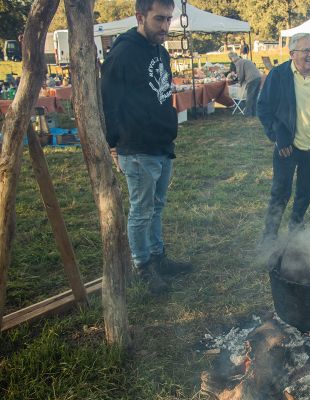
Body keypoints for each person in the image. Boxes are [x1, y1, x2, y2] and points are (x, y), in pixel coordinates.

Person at [101, 0, 192, 294]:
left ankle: (158, 257)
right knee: (141, 210)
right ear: (140, 17)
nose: (165, 27)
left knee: (157, 206)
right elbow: (108, 101)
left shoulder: (160, 51)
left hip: (162, 144)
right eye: (159, 20)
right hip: (137, 146)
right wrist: (113, 144)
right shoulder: (123, 53)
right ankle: (143, 265)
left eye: (169, 19)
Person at [257, 32, 310, 244]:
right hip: (287, 146)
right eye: (305, 50)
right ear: (292, 54)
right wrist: (278, 135)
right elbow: (263, 107)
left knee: (304, 194)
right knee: (280, 192)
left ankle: (295, 233)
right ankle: (269, 237)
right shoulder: (279, 75)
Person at [227, 52, 262, 116]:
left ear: (231, 59)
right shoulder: (244, 60)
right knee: (255, 96)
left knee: (250, 97)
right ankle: (254, 112)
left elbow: (240, 75)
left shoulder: (238, 63)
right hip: (258, 77)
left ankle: (248, 113)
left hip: (252, 79)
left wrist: (240, 83)